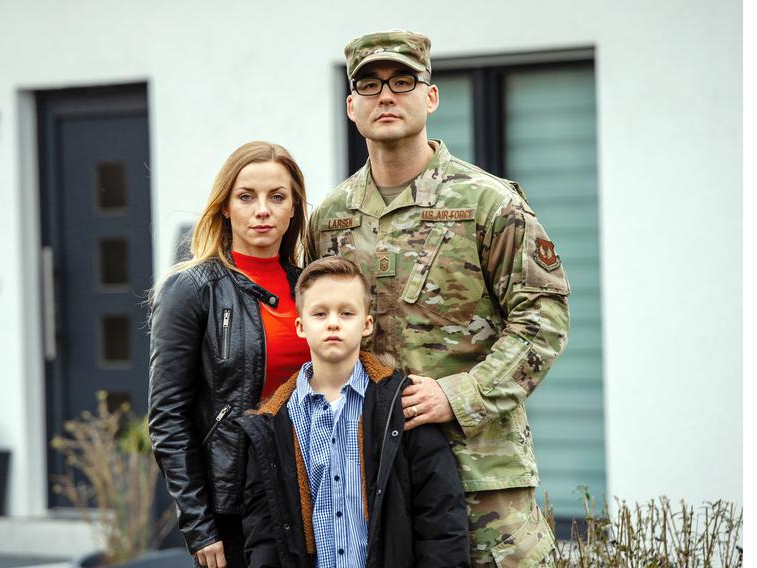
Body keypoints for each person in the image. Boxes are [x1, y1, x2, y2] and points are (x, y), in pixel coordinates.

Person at [306, 30, 571, 566]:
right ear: (351, 105)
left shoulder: (487, 203)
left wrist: (462, 394)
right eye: (370, 84)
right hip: (370, 477)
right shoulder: (329, 219)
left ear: (430, 96)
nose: (386, 96)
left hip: (481, 477)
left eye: (403, 81)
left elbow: (542, 318)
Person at [238, 257, 471, 568]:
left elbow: (441, 518)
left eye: (346, 313)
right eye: (320, 314)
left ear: (366, 324)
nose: (333, 322)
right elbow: (263, 536)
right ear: (300, 326)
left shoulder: (402, 405)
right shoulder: (273, 423)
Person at [149, 141, 311, 568]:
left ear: (293, 208)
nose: (263, 210)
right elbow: (168, 417)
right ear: (225, 206)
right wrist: (199, 526)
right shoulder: (191, 289)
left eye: (277, 197)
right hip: (233, 505)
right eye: (246, 197)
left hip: (313, 492)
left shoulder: (309, 288)